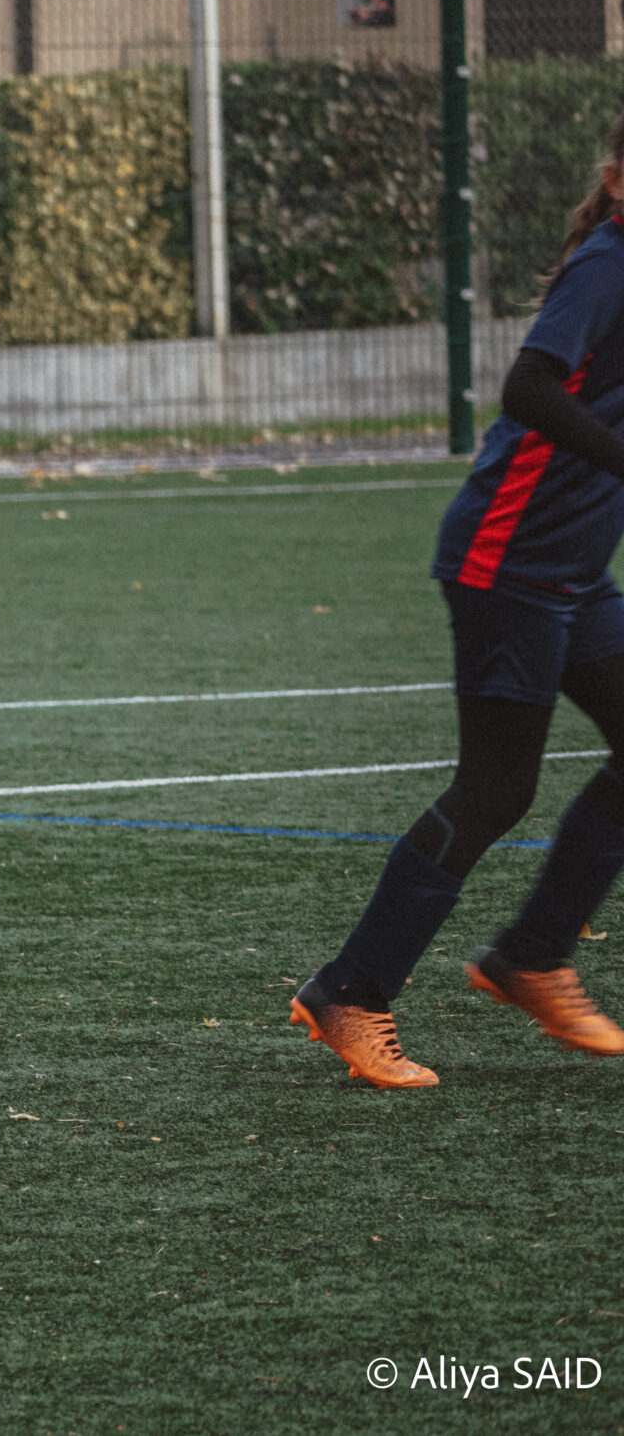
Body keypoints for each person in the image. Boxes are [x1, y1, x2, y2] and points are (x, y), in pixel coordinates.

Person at [291, 108, 624, 1085]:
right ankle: (349, 993)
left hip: (571, 570)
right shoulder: (606, 264)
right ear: (616, 180)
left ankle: (528, 956)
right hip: (505, 560)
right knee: (494, 790)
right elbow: (529, 391)